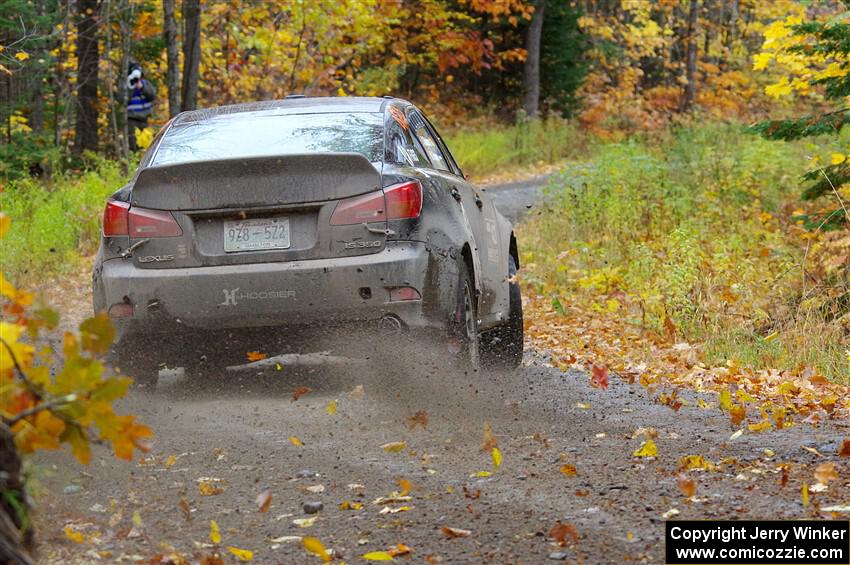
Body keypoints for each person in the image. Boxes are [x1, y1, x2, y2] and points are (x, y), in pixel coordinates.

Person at [126, 62, 156, 151]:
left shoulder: (145, 83)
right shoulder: (127, 85)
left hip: (145, 119)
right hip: (132, 120)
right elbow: (123, 99)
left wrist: (142, 88)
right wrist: (131, 87)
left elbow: (152, 96)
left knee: (148, 145)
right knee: (134, 145)